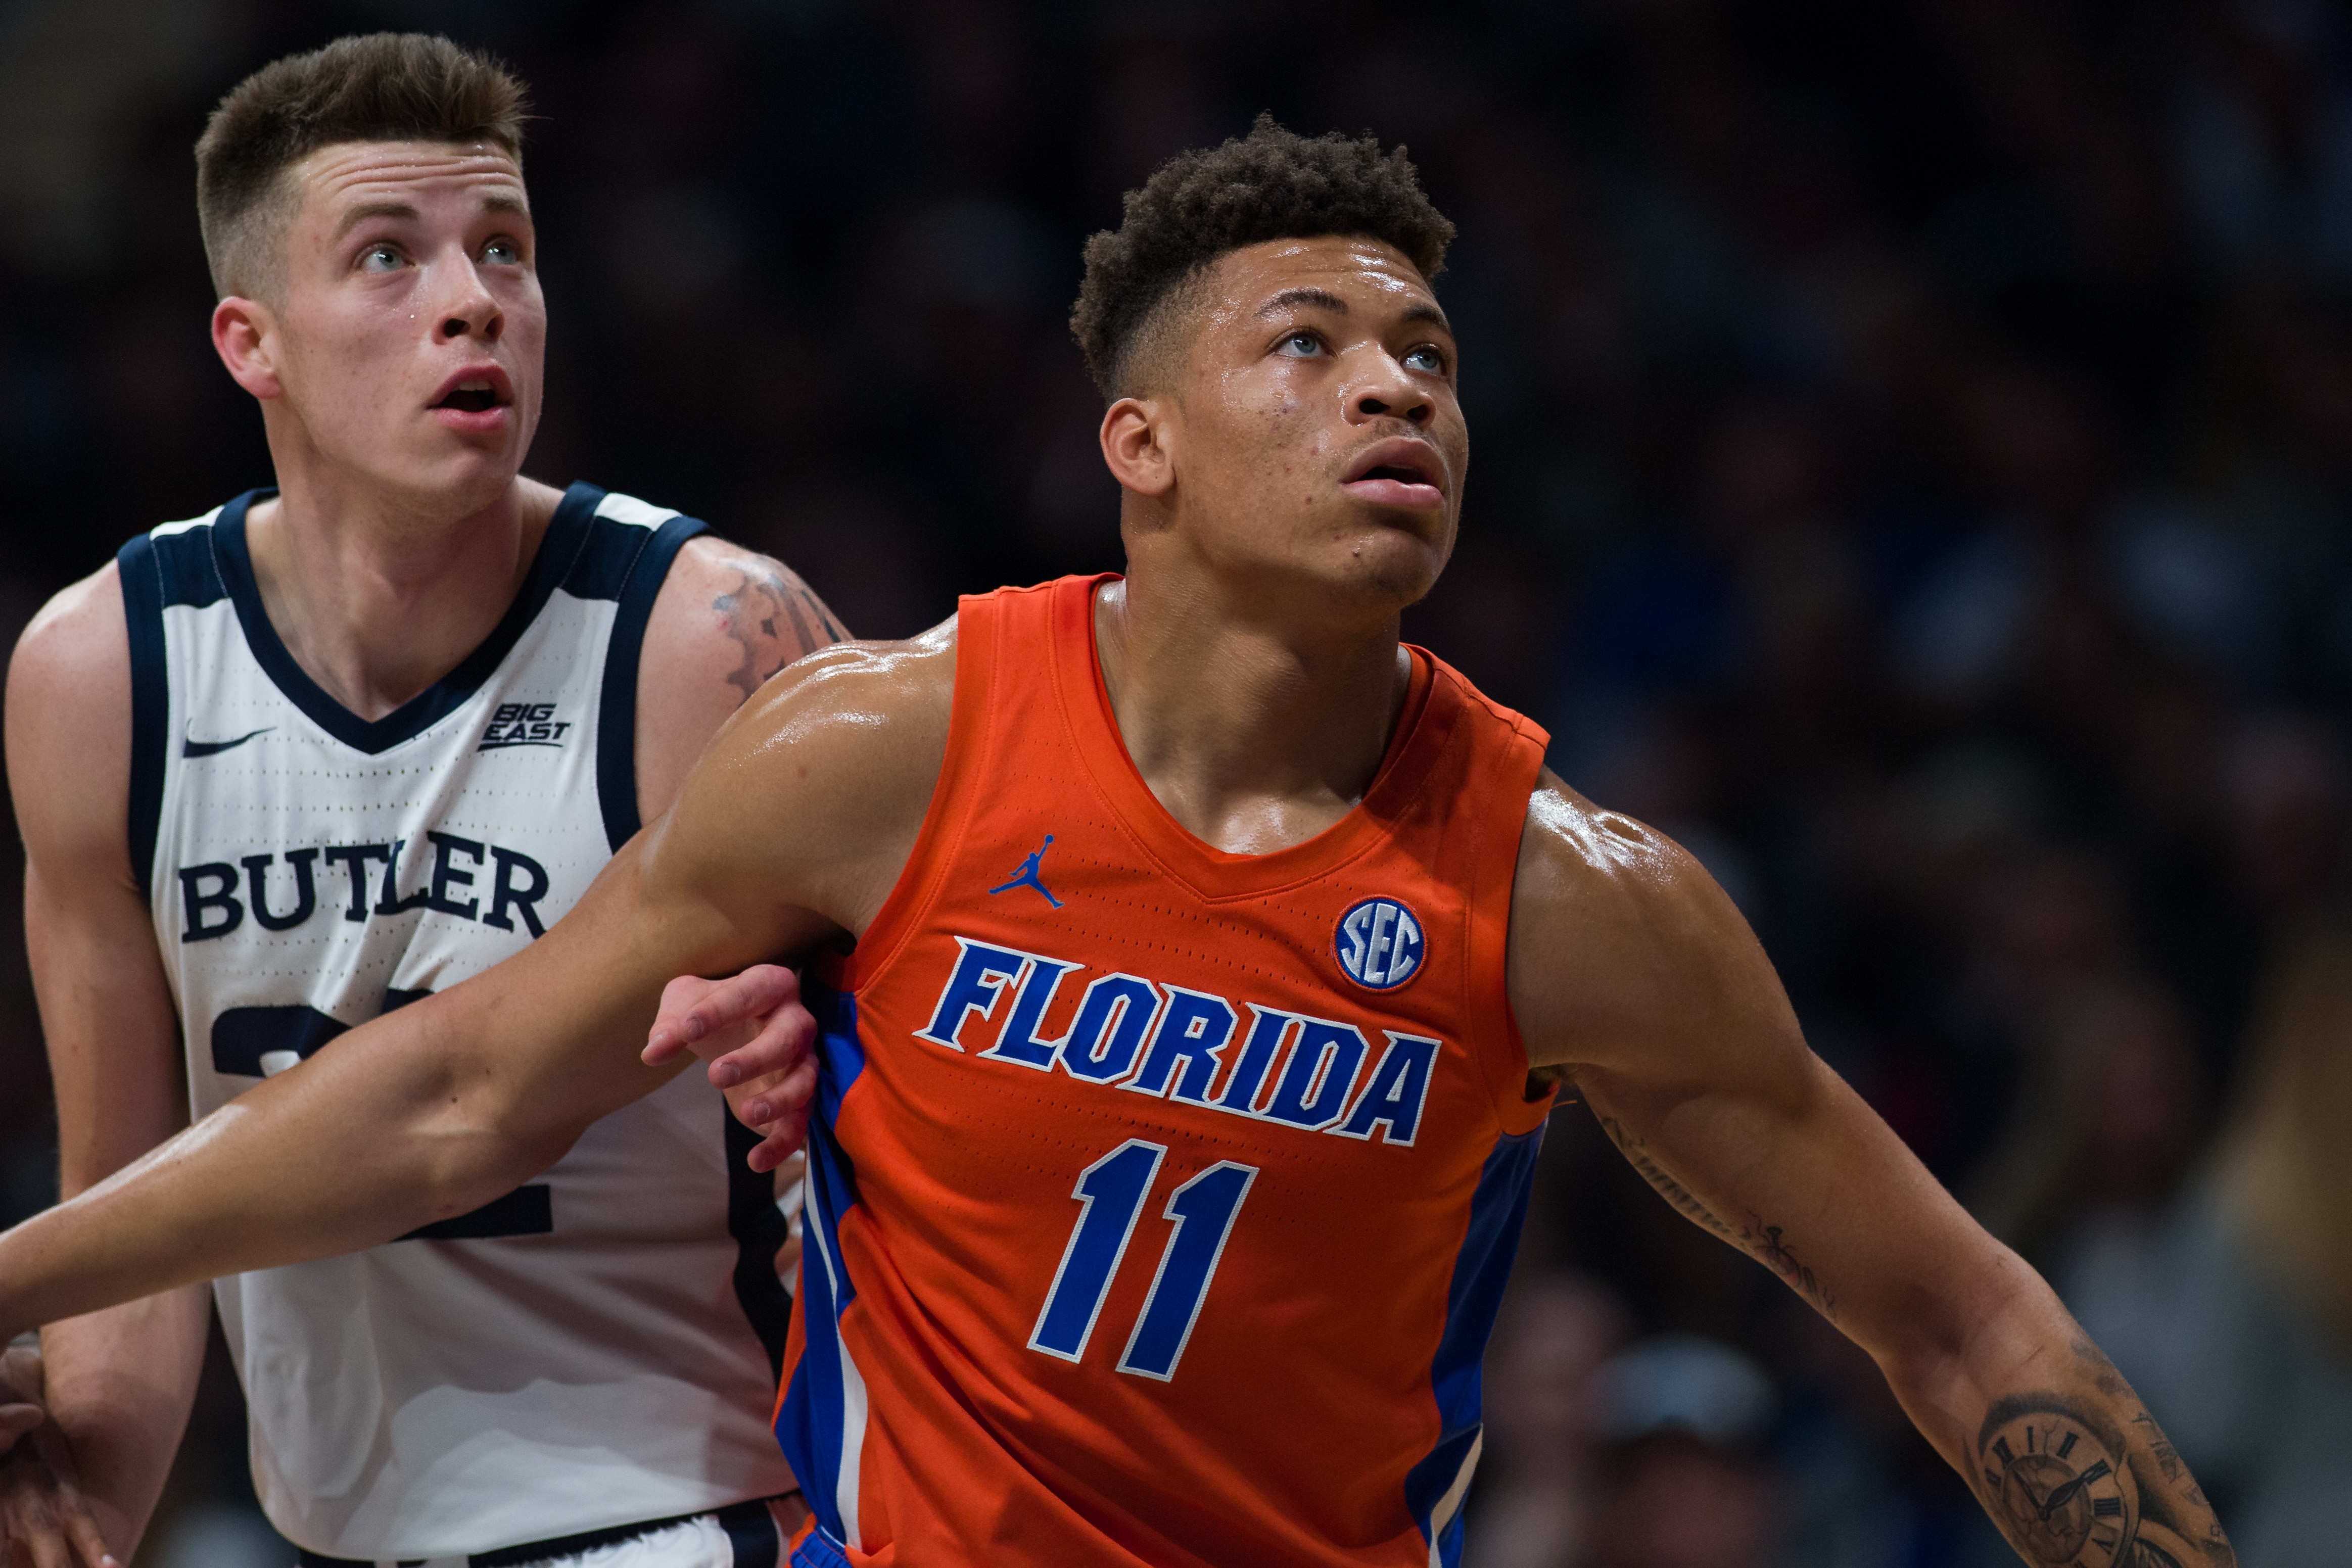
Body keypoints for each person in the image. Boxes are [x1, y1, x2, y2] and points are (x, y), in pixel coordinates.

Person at [0, 118, 2233, 1568]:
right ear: (1138, 444)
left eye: (1431, 356)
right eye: (1310, 345)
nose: (1396, 389)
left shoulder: (1568, 894)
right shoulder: (884, 751)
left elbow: (1965, 1319)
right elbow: (452, 1086)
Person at [0, 34, 841, 1568]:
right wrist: (78, 1521)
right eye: (388, 257)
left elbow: (462, 1105)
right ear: (250, 344)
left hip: (697, 1511)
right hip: (335, 1539)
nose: (475, 300)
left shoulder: (706, 642)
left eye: (504, 248)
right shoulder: (102, 671)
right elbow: (131, 1208)